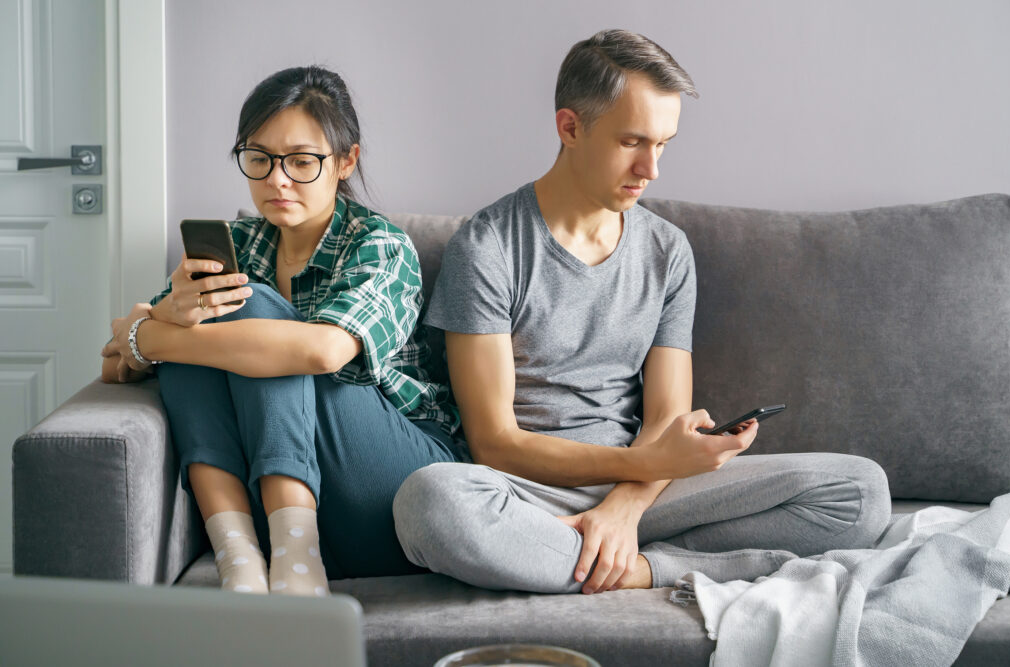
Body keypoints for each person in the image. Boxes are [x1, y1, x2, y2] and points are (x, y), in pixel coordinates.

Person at [392, 30, 891, 594]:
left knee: (860, 491)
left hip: (650, 490)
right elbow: (496, 444)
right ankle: (628, 561)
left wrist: (623, 507)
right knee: (429, 502)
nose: (650, 168)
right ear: (570, 128)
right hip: (531, 493)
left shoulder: (667, 250)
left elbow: (665, 422)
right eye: (632, 142)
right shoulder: (488, 247)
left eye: (663, 144)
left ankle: (630, 568)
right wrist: (648, 465)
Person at [102, 66, 461, 596]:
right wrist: (171, 316)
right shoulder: (237, 243)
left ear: (345, 161)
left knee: (245, 311)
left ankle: (296, 561)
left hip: (396, 483)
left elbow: (324, 352)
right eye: (259, 158)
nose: (277, 180)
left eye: (301, 161)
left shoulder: (380, 245)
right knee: (203, 320)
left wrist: (153, 336)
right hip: (290, 499)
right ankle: (239, 555)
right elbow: (114, 361)